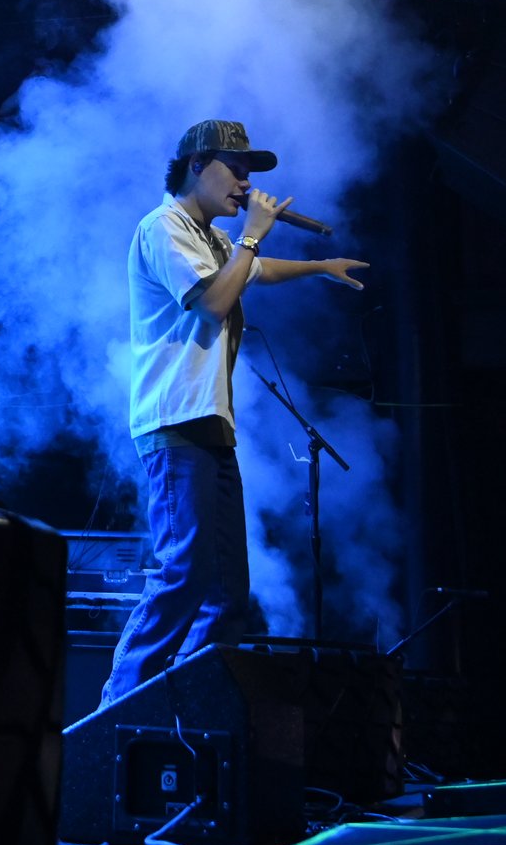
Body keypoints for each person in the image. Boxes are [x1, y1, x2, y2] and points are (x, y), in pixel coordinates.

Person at [98, 119, 369, 708]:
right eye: (236, 170)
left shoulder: (212, 239)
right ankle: (116, 709)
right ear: (198, 165)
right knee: (183, 573)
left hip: (212, 427)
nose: (246, 184)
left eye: (249, 174)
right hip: (175, 422)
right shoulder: (163, 226)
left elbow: (258, 273)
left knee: (226, 594)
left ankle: (193, 716)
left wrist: (321, 266)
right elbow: (215, 303)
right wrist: (251, 236)